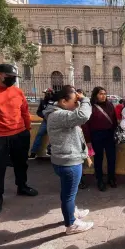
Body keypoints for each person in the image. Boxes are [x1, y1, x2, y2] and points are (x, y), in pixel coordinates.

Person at [0, 64, 38, 216]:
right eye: (9, 77)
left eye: (14, 77)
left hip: (19, 134)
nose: (13, 80)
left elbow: (25, 111)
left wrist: (27, 128)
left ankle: (22, 186)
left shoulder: (17, 91)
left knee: (21, 163)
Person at [44, 85, 94, 235]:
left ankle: (71, 212)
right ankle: (71, 225)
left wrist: (85, 154)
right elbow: (83, 116)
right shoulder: (59, 115)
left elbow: (77, 135)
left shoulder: (59, 113)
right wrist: (85, 99)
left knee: (68, 193)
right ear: (64, 101)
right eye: (74, 100)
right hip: (68, 162)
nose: (77, 103)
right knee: (68, 195)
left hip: (65, 159)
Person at [82, 87, 118, 191]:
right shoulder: (90, 107)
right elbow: (86, 125)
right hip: (96, 135)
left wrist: (115, 133)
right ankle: (100, 180)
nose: (103, 96)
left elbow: (114, 120)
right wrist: (88, 140)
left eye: (104, 93)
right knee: (98, 159)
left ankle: (111, 178)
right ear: (95, 95)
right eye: (101, 94)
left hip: (110, 135)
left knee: (112, 158)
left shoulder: (110, 105)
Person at [29, 88, 54, 159]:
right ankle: (33, 152)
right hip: (45, 122)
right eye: (46, 93)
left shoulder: (55, 101)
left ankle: (50, 150)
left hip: (53, 122)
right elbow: (38, 111)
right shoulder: (43, 102)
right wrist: (44, 116)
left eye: (48, 93)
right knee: (39, 135)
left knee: (53, 136)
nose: (46, 95)